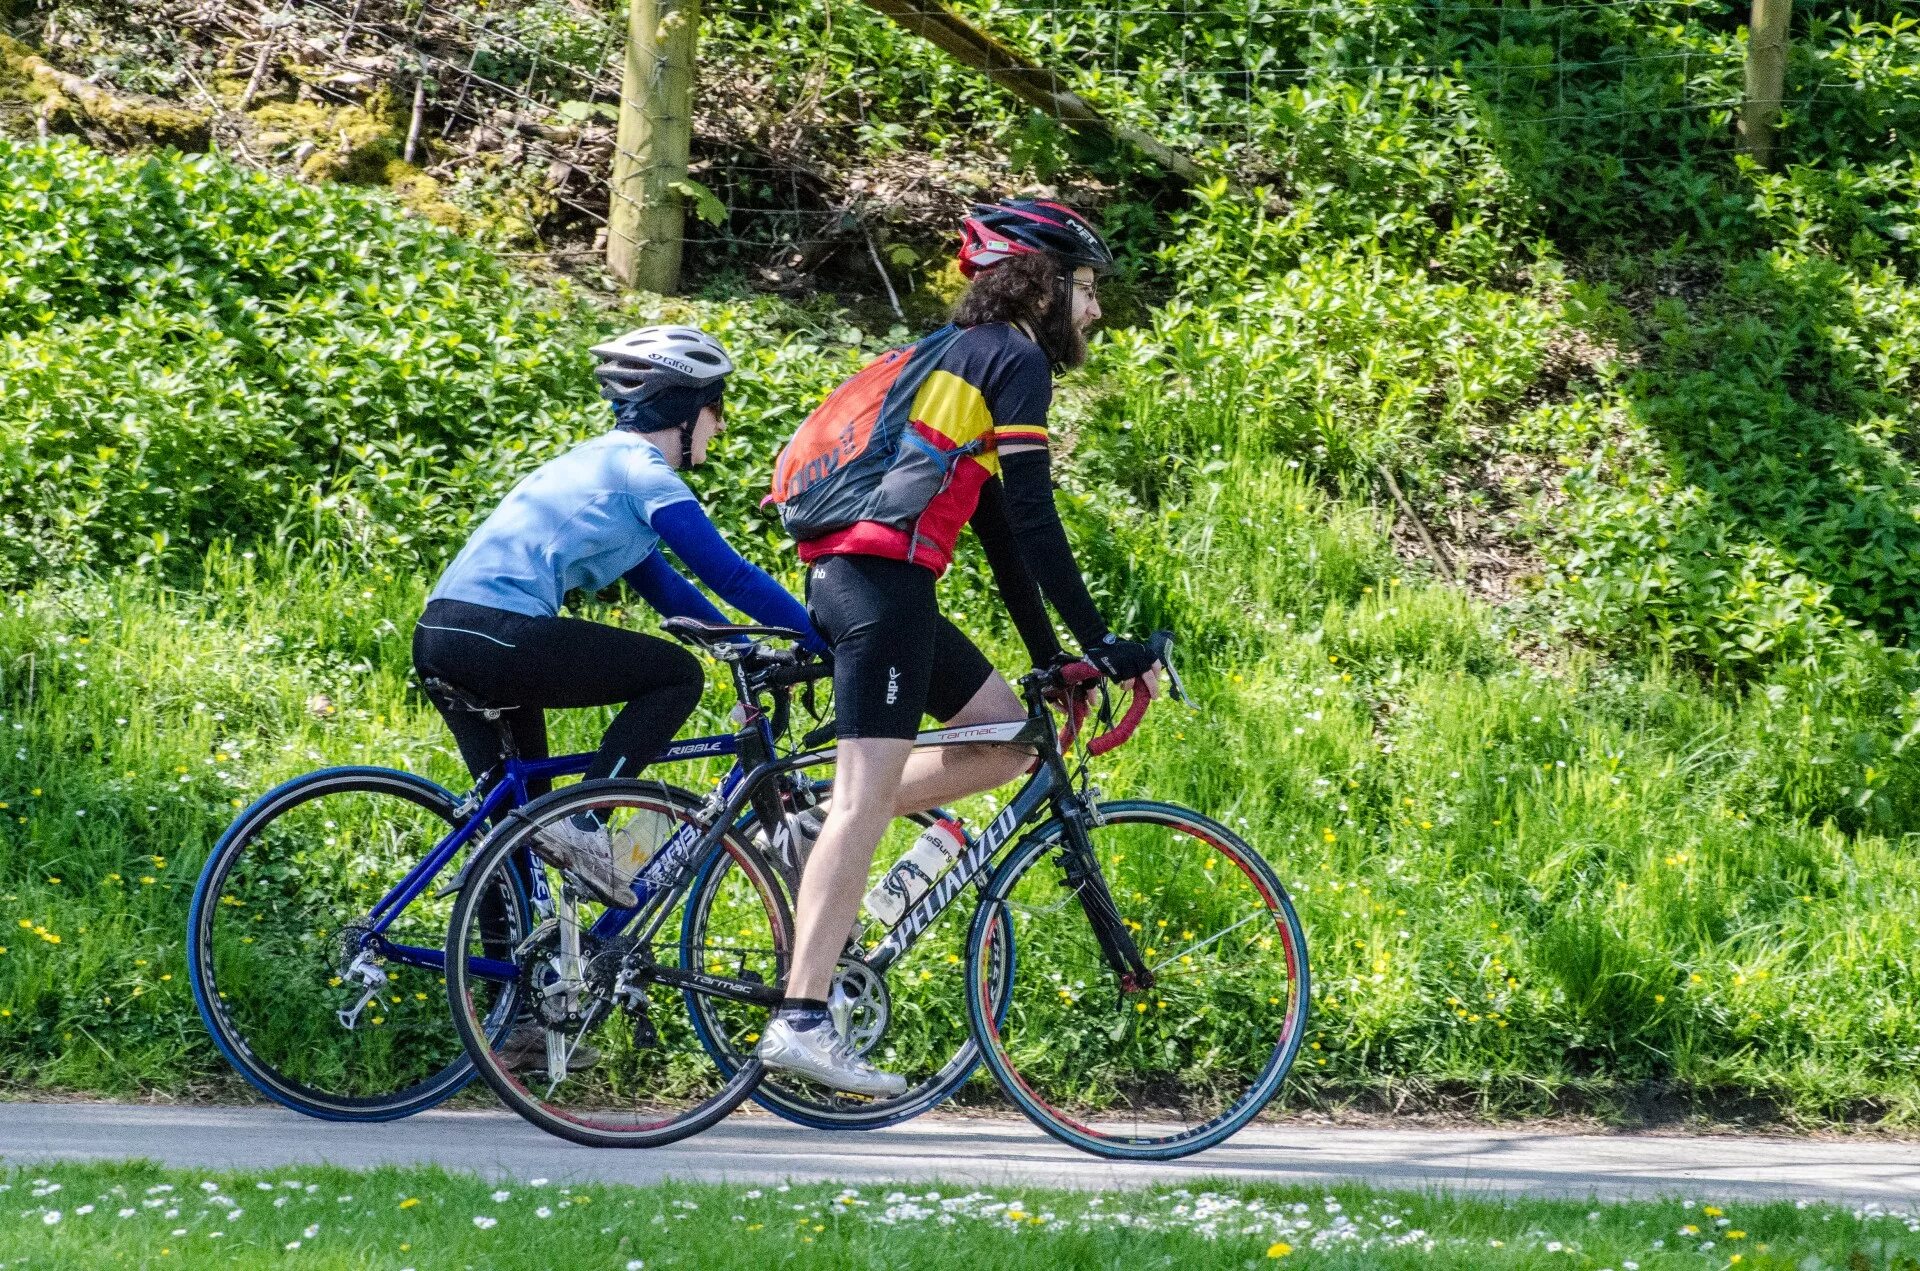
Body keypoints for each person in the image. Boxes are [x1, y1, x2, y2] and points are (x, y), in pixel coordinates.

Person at [755, 200, 1161, 1096]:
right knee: (868, 798)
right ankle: (802, 1018)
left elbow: (996, 531)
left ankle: (814, 830)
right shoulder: (1013, 357)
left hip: (868, 583)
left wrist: (1056, 656)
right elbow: (1032, 508)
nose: (1094, 311)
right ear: (1042, 283)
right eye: (1087, 288)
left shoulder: (946, 361)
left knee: (1010, 735)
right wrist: (1108, 642)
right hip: (881, 589)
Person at [413, 325, 823, 911]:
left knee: (514, 837)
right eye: (716, 408)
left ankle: (509, 994)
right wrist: (824, 637)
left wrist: (744, 647)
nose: (721, 425)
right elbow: (728, 575)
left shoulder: (593, 464)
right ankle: (586, 825)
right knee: (675, 675)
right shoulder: (642, 471)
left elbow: (668, 589)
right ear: (685, 411)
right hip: (496, 631)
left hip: (445, 635)